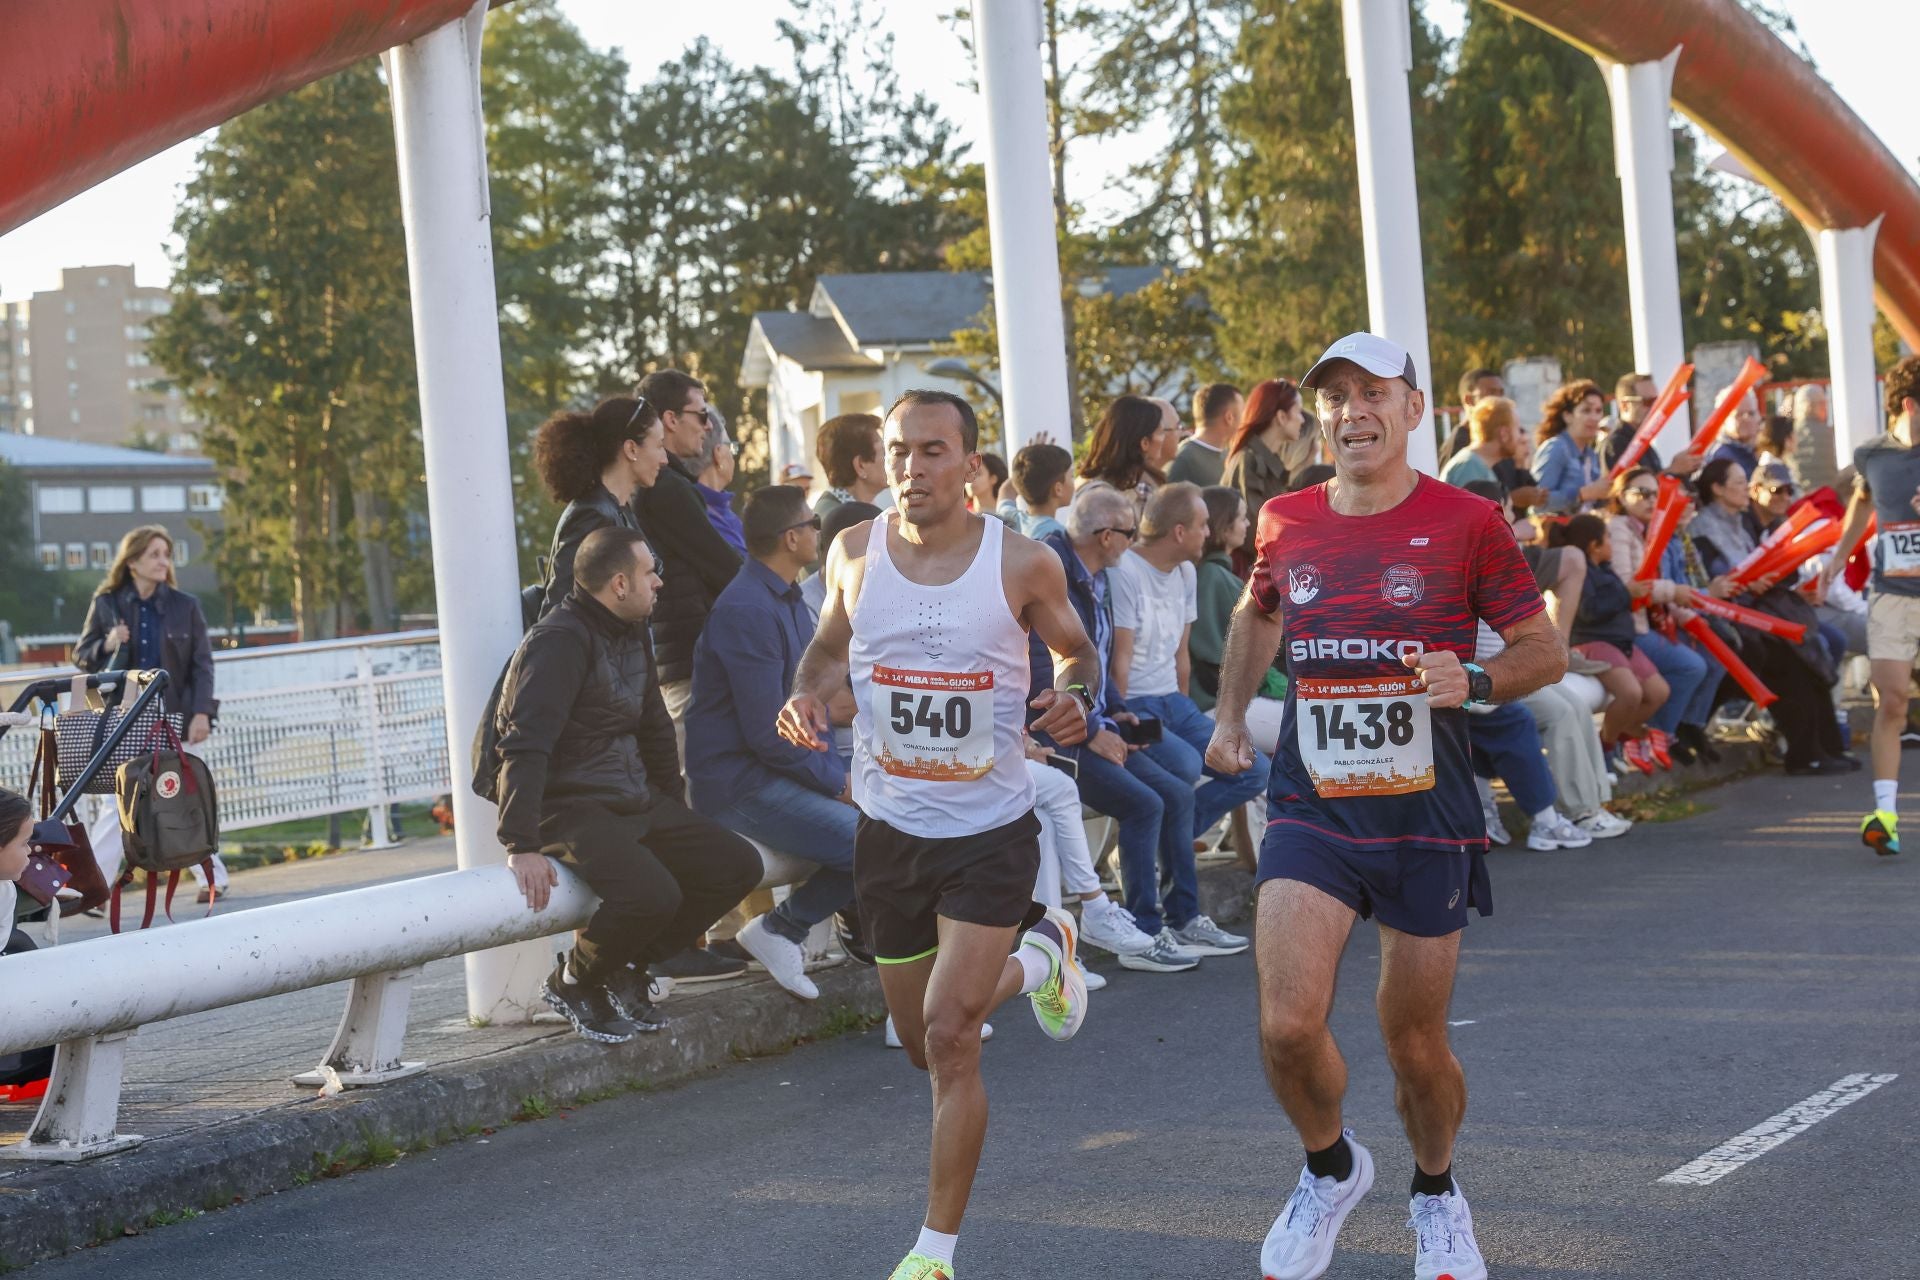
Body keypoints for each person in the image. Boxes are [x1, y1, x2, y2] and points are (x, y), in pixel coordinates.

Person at [1205, 332, 1565, 1280]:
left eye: (1374, 393)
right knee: (1287, 1023)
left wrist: (1476, 679)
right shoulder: (1284, 516)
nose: (1352, 411)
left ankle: (1438, 1192)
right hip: (1313, 808)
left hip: (1427, 814)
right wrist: (1231, 714)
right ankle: (1330, 1170)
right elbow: (1259, 611)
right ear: (1317, 414)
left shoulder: (1468, 519)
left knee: (1415, 1042)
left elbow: (1543, 648)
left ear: (1414, 409)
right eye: (1334, 397)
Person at [777, 389, 1102, 1280]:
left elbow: (1076, 650)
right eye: (897, 451)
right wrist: (808, 692)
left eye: (931, 451)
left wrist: (1073, 696)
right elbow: (828, 651)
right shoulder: (853, 552)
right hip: (887, 832)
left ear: (969, 464)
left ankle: (933, 1253)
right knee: (923, 1043)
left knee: (952, 1035)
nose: (912, 468)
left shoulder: (1023, 563)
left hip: (990, 832)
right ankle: (1047, 951)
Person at [489, 527, 762, 1042]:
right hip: (567, 806)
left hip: (630, 796)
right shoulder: (558, 642)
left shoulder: (631, 627)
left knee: (735, 865)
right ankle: (574, 979)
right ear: (618, 583)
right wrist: (520, 844)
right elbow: (525, 746)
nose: (659, 582)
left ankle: (626, 966)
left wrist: (674, 810)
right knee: (652, 894)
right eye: (649, 572)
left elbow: (655, 724)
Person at [1028, 485, 1216, 975]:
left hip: (1092, 722)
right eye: (1130, 533)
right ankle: (1141, 929)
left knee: (1178, 788)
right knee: (1147, 802)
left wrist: (1113, 712)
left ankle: (1179, 917)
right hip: (1053, 736)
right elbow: (1047, 674)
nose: (1135, 543)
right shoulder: (1057, 579)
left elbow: (1095, 661)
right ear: (1107, 536)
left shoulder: (1091, 575)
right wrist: (1093, 730)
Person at [684, 486, 861, 1000]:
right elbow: (770, 734)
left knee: (896, 828)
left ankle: (786, 931)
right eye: (812, 525)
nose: (817, 533)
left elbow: (806, 712)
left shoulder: (783, 599)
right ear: (791, 538)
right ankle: (782, 928)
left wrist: (841, 776)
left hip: (772, 772)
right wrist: (836, 783)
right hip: (739, 785)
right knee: (873, 843)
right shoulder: (747, 608)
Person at [628, 370, 750, 985]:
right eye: (700, 414)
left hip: (676, 663)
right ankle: (677, 941)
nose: (708, 425)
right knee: (696, 802)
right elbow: (726, 567)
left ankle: (697, 935)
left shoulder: (665, 489)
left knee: (701, 797)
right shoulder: (668, 492)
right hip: (685, 666)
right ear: (668, 420)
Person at [1110, 482, 1267, 904]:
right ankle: (1173, 891)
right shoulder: (1124, 570)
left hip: (1173, 704)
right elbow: (1119, 659)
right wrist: (1121, 723)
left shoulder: (1184, 573)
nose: (1207, 532)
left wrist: (1183, 712)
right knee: (1180, 767)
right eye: (1201, 525)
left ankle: (1163, 844)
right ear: (1179, 532)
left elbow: (1181, 656)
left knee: (1253, 770)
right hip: (1136, 703)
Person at [1462, 481, 1630, 836]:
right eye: (1507, 508)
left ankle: (1595, 803)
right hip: (1486, 682)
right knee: (1562, 712)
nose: (1511, 517)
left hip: (1507, 673)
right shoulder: (1466, 551)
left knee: (1574, 705)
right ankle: (1579, 811)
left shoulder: (1505, 548)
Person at [74, 525, 228, 901]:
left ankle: (212, 876)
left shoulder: (184, 605)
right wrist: (108, 641)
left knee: (182, 794)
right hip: (120, 716)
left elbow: (201, 666)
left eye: (166, 555)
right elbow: (81, 655)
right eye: (154, 554)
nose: (163, 562)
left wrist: (201, 713)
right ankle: (92, 888)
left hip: (171, 713)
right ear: (132, 562)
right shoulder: (107, 602)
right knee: (116, 800)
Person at [1818, 354, 1920, 854]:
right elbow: (1862, 500)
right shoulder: (1872, 455)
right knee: (1893, 698)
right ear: (1909, 405)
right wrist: (1839, 557)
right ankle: (1885, 815)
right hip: (1893, 595)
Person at [1693, 458, 1849, 776]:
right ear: (1718, 489)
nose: (1745, 490)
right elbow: (1715, 580)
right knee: (1789, 660)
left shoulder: (1739, 522)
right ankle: (1805, 753)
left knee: (1806, 651)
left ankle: (1827, 746)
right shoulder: (1704, 528)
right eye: (1738, 483)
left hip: (1753, 612)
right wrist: (1742, 584)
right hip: (1727, 621)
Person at [1607, 469, 1719, 767]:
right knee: (1690, 666)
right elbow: (1628, 585)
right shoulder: (1619, 528)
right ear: (1621, 496)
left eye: (1654, 494)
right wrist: (1676, 593)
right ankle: (1653, 734)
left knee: (1709, 659)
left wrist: (1691, 615)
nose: (1650, 500)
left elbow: (1661, 589)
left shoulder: (1645, 530)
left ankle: (1652, 734)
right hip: (1625, 629)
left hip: (1647, 622)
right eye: (1641, 493)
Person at [1553, 514, 1672, 775]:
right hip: (1593, 641)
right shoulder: (1578, 571)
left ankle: (1619, 736)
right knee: (1631, 693)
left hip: (1622, 642)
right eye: (1607, 538)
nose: (1611, 544)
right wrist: (1626, 594)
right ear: (1595, 545)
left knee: (1659, 692)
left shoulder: (1605, 569)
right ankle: (1605, 749)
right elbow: (1588, 611)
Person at [533, 394, 669, 618]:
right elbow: (558, 611)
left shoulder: (618, 509)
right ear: (631, 449)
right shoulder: (592, 515)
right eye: (659, 446)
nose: (664, 459)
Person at [1192, 486, 1285, 752]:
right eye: (1241, 517)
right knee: (1306, 727)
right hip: (1215, 703)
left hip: (1229, 699)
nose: (1247, 524)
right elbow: (1213, 658)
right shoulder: (1213, 577)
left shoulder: (1216, 574)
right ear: (1223, 524)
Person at [1222, 379, 1306, 559]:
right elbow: (1254, 531)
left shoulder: (1268, 463)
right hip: (1248, 575)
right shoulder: (1248, 460)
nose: (1302, 419)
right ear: (1281, 417)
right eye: (1298, 411)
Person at [1078, 394, 1176, 514]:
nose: (1164, 438)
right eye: (1161, 432)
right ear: (1144, 442)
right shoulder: (1097, 491)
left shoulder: (1143, 481)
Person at [1597, 371, 1704, 479]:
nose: (1655, 408)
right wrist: (1673, 469)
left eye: (1657, 402)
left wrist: (1683, 470)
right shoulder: (1616, 444)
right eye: (1648, 402)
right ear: (1625, 406)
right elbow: (1628, 490)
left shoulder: (1642, 441)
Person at [1533, 380, 1611, 514]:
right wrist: (1582, 494)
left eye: (1598, 411)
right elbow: (1537, 503)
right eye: (1586, 410)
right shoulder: (1555, 448)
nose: (1594, 417)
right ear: (1567, 416)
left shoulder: (1591, 455)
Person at [814, 412, 889, 520]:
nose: (892, 460)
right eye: (884, 452)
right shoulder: (850, 521)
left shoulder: (834, 509)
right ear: (860, 465)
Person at [1169, 382, 1244, 487]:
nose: (1245, 420)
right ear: (1229, 418)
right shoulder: (1183, 460)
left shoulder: (1231, 456)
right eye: (1243, 413)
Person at [691, 414, 745, 556]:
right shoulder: (701, 513)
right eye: (730, 446)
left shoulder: (718, 508)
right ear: (719, 454)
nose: (733, 456)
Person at [1439, 396, 1517, 490]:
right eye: (1517, 429)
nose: (1520, 437)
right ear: (1504, 434)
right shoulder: (1469, 468)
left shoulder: (1476, 465)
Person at [1001, 442, 1074, 540]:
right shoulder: (1059, 536)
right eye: (1072, 476)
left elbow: (1005, 492)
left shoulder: (1010, 521)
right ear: (1058, 489)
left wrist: (1029, 461)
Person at [1437, 367, 1504, 467]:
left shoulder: (1496, 440)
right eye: (1491, 393)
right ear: (1469, 400)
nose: (1499, 400)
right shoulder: (1459, 445)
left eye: (1501, 393)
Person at [1706, 384, 1763, 475]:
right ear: (1723, 420)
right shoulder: (1721, 459)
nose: (1746, 418)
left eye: (1751, 413)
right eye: (1739, 414)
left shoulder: (1762, 450)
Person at [967, 451, 1008, 518]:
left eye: (978, 474)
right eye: (968, 473)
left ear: (993, 479)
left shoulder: (1006, 516)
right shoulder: (959, 516)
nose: (971, 478)